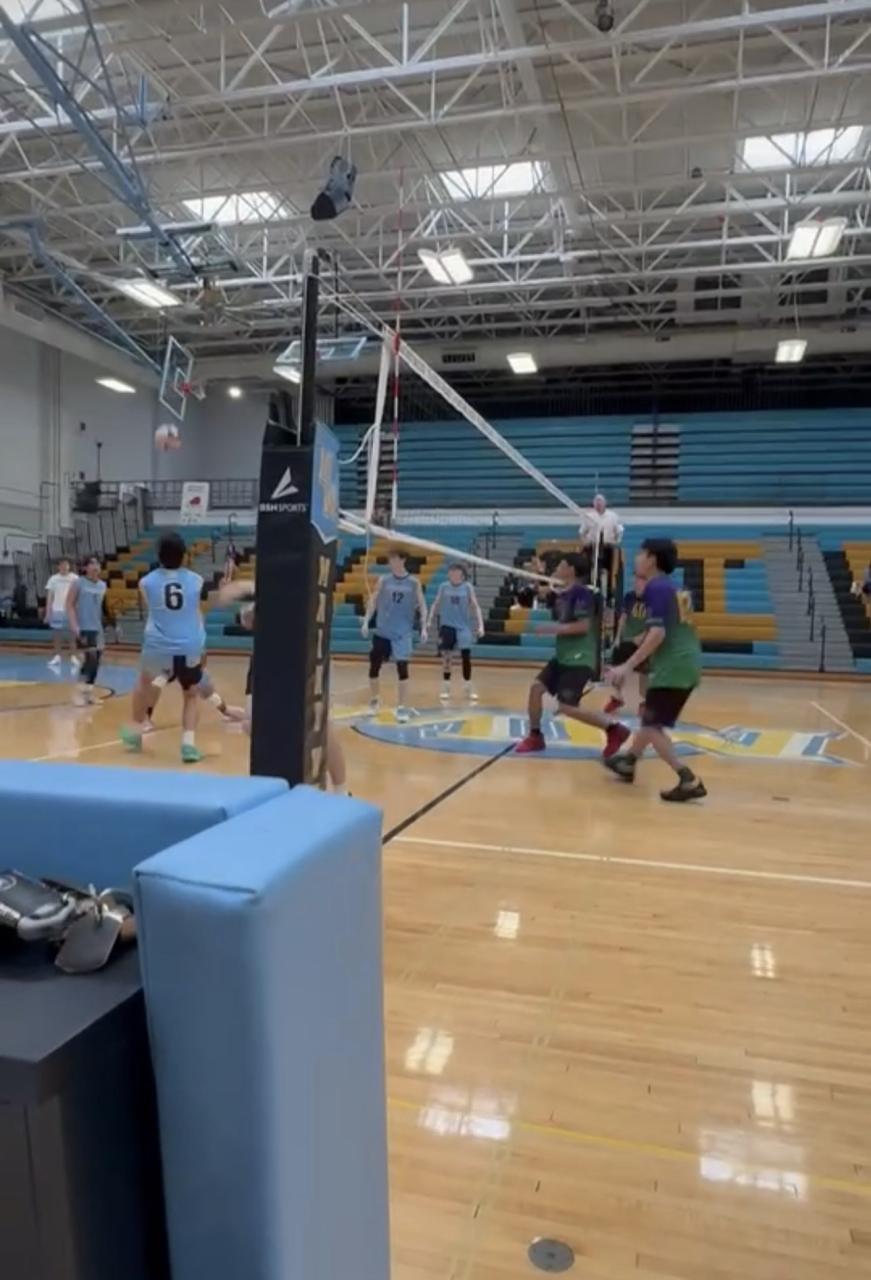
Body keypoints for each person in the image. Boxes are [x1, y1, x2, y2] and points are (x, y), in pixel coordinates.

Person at [218, 580, 348, 793]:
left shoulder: (307, 585)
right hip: (267, 660)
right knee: (253, 725)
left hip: (302, 658)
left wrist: (243, 590)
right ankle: (284, 785)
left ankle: (342, 791)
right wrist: (245, 605)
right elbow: (248, 619)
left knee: (320, 724)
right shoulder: (270, 585)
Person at [603, 537, 706, 802]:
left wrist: (627, 666)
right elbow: (669, 628)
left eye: (641, 554)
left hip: (673, 667)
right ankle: (629, 761)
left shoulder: (656, 588)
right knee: (650, 718)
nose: (637, 559)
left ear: (652, 559)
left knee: (651, 724)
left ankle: (687, 778)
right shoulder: (675, 588)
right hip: (686, 663)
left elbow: (658, 633)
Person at [515, 553, 629, 758]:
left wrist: (551, 629)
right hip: (563, 656)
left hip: (580, 658)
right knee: (536, 688)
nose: (556, 568)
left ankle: (614, 729)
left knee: (567, 707)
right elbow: (536, 595)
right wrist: (536, 577)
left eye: (561, 564)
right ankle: (535, 736)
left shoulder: (583, 594)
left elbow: (583, 626)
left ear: (571, 570)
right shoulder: (562, 593)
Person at [120, 531, 207, 764]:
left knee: (143, 686)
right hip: (189, 644)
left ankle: (136, 732)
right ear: (184, 555)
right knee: (190, 694)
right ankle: (188, 745)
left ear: (158, 555)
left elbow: (154, 608)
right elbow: (195, 611)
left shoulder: (146, 582)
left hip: (158, 645)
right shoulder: (197, 581)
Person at [362, 547, 427, 722]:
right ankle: (375, 699)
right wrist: (367, 620)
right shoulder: (383, 580)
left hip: (402, 633)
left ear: (402, 560)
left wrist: (424, 627)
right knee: (374, 666)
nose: (391, 562)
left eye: (394, 558)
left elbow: (422, 605)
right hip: (383, 631)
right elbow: (373, 601)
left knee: (402, 668)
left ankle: (402, 707)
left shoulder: (413, 583)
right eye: (390, 559)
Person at [428, 564, 484, 704]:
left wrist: (481, 625)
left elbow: (476, 606)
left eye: (455, 573)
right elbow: (435, 603)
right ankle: (446, 687)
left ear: (462, 575)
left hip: (463, 627)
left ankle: (468, 686)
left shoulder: (467, 587)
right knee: (447, 657)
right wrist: (429, 619)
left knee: (466, 656)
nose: (452, 575)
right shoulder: (443, 587)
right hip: (447, 626)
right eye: (450, 573)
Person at [66, 557, 110, 706]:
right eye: (91, 563)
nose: (95, 566)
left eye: (97, 563)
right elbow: (69, 605)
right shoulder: (78, 583)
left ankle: (88, 693)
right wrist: (74, 625)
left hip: (98, 628)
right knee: (90, 660)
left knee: (96, 662)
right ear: (85, 568)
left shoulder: (103, 585)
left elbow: (104, 608)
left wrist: (113, 624)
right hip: (84, 627)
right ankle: (79, 693)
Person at [604, 575, 649, 716]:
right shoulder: (629, 597)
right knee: (618, 668)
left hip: (645, 642)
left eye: (639, 582)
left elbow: (655, 623)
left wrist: (642, 637)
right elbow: (623, 618)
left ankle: (646, 702)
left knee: (645, 673)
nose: (636, 584)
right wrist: (618, 637)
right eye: (635, 581)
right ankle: (617, 697)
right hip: (628, 639)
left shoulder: (653, 599)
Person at [579, 493, 623, 597]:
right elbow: (582, 532)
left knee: (612, 568)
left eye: (600, 502)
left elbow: (619, 531)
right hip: (593, 547)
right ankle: (593, 592)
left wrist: (616, 541)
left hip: (608, 547)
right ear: (594, 504)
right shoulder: (589, 516)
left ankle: (610, 593)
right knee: (591, 569)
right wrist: (585, 542)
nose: (598, 504)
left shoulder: (613, 516)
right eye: (596, 502)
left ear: (605, 503)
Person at [44, 557, 80, 671]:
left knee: (72, 634)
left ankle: (73, 656)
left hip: (71, 610)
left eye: (66, 564)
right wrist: (48, 612)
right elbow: (50, 596)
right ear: (58, 566)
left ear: (69, 566)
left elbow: (78, 595)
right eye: (62, 565)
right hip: (57, 610)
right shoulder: (53, 579)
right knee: (57, 634)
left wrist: (77, 611)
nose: (64, 567)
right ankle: (57, 656)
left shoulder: (75, 578)